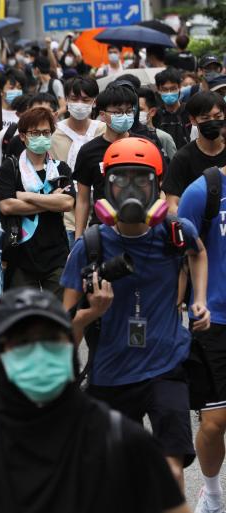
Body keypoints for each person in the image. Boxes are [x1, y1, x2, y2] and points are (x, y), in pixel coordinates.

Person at [0, 287, 191, 513]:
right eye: (23, 342)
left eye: (51, 339)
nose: (39, 353)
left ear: (70, 347)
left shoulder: (124, 443)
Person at [62, 137, 210, 489]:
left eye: (141, 180)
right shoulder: (90, 246)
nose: (131, 188)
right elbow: (61, 333)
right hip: (110, 374)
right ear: (106, 187)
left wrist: (199, 299)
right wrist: (90, 313)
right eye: (120, 180)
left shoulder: (175, 231)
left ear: (157, 184)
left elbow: (198, 252)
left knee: (170, 473)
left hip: (166, 366)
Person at [178, 164, 226, 513]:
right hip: (214, 320)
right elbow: (180, 255)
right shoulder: (203, 190)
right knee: (214, 423)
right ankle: (211, 494)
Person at [0, 107, 75, 297]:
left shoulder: (60, 168)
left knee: (58, 315)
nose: (41, 137)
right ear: (23, 136)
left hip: (56, 253)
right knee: (25, 318)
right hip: (21, 254)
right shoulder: (11, 167)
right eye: (35, 133)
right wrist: (51, 201)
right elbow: (7, 206)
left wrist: (26, 196)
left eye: (46, 132)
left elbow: (67, 204)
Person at [73, 83, 141, 238]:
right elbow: (83, 200)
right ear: (102, 115)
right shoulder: (89, 151)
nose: (124, 116)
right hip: (103, 230)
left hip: (140, 228)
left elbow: (160, 189)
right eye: (117, 112)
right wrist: (78, 238)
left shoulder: (144, 146)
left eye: (129, 111)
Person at [51, 77, 105, 245]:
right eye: (74, 99)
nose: (80, 104)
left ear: (94, 101)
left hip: (100, 217)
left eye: (86, 99)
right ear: (66, 100)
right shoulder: (53, 135)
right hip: (66, 219)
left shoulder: (103, 131)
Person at [163, 92, 226, 214]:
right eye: (206, 118)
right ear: (193, 120)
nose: (213, 122)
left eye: (218, 117)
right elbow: (171, 204)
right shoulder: (182, 158)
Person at [153, 68, 191, 151]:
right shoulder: (155, 115)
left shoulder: (189, 111)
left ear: (179, 87)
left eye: (173, 88)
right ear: (158, 89)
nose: (169, 93)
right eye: (165, 89)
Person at [138, 87, 179, 161]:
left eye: (140, 110)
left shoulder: (163, 137)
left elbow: (174, 166)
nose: (136, 113)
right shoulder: (127, 136)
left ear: (152, 111)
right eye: (133, 110)